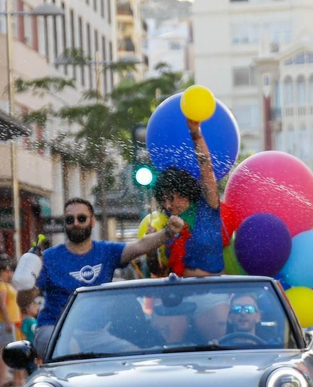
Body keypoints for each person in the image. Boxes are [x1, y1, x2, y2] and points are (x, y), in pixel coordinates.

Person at [34, 198, 183, 331]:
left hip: (96, 333)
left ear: (92, 222)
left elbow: (140, 246)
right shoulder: (48, 257)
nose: (76, 224)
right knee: (69, 349)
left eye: (81, 218)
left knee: (129, 355)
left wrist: (168, 231)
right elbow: (24, 299)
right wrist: (28, 275)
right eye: (69, 220)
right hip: (54, 329)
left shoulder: (106, 251)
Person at [134, 118, 226, 278]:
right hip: (179, 296)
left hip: (214, 293)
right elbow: (157, 270)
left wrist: (195, 133)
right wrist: (150, 250)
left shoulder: (208, 207)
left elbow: (205, 166)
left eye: (171, 198)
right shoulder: (166, 223)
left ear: (185, 191)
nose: (167, 204)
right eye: (163, 200)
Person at [0, 260, 25, 387]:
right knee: (3, 350)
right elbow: (3, 305)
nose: (10, 273)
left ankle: (15, 377)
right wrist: (7, 321)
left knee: (12, 350)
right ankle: (2, 378)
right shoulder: (1, 286)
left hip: (13, 322)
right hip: (5, 322)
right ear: (1, 272)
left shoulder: (7, 285)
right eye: (7, 271)